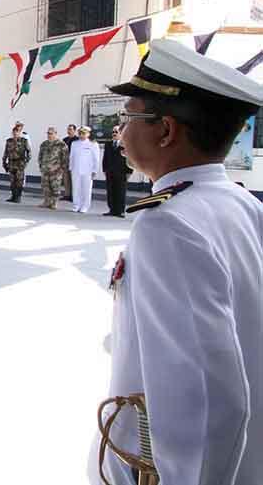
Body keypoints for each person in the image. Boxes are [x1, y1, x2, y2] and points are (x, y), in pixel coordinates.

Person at [92, 39, 263, 485]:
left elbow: (207, 398)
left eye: (127, 117)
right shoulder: (242, 204)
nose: (120, 132)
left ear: (165, 131)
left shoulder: (168, 224)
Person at [102, 125, 132, 217]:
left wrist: (129, 172)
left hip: (121, 172)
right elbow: (105, 158)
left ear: (121, 134)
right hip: (110, 172)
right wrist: (104, 169)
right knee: (111, 191)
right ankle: (112, 209)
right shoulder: (108, 144)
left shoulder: (125, 144)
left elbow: (129, 159)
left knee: (121, 192)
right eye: (113, 132)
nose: (114, 134)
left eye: (116, 132)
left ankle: (120, 211)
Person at [68, 126, 99, 213]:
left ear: (88, 134)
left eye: (84, 133)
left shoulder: (93, 144)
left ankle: (85, 206)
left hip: (88, 170)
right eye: (80, 133)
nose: (81, 135)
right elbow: (72, 157)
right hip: (76, 169)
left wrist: (95, 170)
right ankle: (76, 205)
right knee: (76, 188)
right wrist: (70, 168)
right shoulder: (75, 143)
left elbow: (96, 158)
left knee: (86, 189)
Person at [37, 127, 69, 209]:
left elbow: (65, 158)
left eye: (51, 133)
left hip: (56, 170)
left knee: (55, 187)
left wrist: (62, 169)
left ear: (55, 133)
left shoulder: (61, 144)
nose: (49, 135)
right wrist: (41, 165)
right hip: (45, 169)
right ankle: (46, 202)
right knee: (45, 186)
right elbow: (40, 156)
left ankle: (54, 203)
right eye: (48, 133)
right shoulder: (44, 144)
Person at [2, 123, 31, 203]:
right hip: (11, 163)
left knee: (19, 181)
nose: (15, 133)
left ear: (19, 132)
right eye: (14, 132)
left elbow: (29, 152)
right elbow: (6, 152)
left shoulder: (24, 141)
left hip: (20, 163)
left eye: (17, 132)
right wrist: (4, 162)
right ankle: (13, 196)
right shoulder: (9, 141)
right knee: (12, 181)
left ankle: (18, 197)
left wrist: (26, 162)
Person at [62, 123, 79, 201]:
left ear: (74, 131)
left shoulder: (77, 140)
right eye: (68, 129)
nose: (69, 131)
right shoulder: (64, 140)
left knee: (73, 179)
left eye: (71, 129)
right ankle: (67, 195)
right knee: (66, 179)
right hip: (66, 161)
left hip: (74, 161)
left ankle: (73, 196)